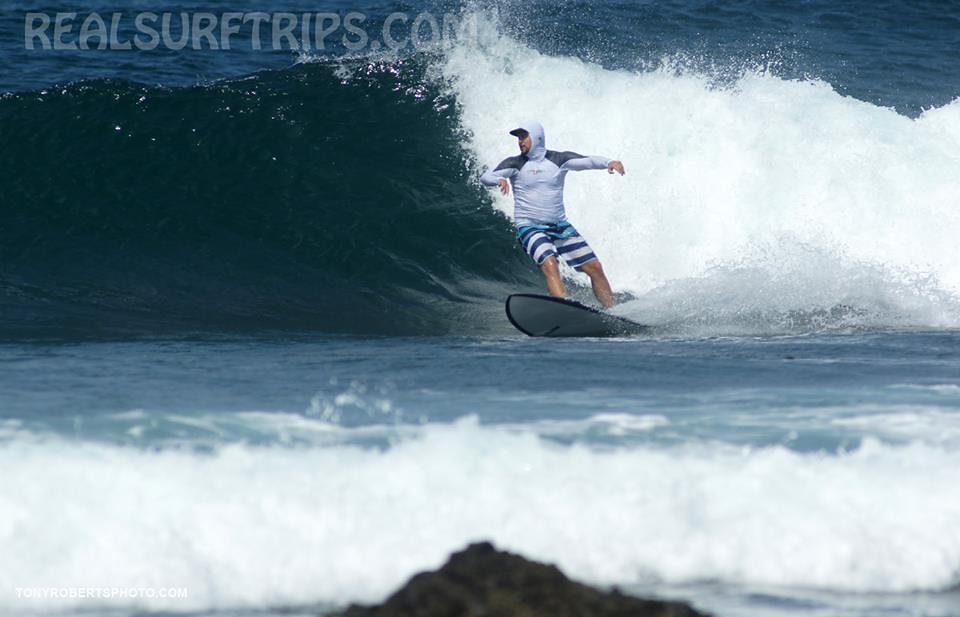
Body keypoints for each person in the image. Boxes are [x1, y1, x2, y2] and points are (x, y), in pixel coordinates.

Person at [480, 120, 625, 308]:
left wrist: (609, 162)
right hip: (529, 226)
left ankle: (612, 314)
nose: (520, 141)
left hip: (560, 225)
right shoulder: (515, 163)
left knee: (595, 267)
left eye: (524, 136)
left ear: (537, 137)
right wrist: (498, 179)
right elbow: (486, 177)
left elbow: (587, 161)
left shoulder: (558, 159)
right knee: (549, 264)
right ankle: (565, 310)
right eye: (518, 138)